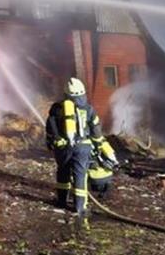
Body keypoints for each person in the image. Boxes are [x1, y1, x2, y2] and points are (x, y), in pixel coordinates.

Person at [45, 77, 118, 225]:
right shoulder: (89, 109)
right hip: (83, 147)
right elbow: (96, 134)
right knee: (80, 176)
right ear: (82, 93)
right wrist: (102, 149)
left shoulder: (57, 108)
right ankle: (80, 208)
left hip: (63, 147)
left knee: (63, 172)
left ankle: (61, 202)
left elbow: (50, 126)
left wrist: (54, 141)